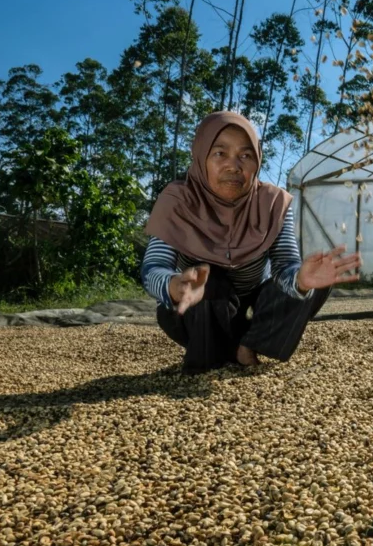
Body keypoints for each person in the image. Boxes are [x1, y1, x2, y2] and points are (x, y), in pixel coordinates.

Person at [140, 111, 360, 374]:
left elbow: (284, 267)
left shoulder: (273, 203)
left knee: (313, 284)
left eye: (245, 156)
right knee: (210, 280)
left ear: (257, 161)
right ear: (201, 158)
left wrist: (300, 280)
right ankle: (213, 355)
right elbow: (153, 267)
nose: (234, 166)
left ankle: (248, 345)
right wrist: (174, 285)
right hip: (198, 309)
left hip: (257, 304)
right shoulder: (177, 200)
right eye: (220, 154)